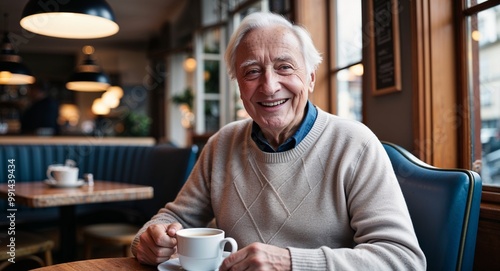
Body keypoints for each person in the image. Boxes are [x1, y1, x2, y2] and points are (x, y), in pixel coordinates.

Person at [132, 12, 426, 270]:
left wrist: (291, 263)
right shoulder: (222, 143)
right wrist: (151, 237)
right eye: (252, 71)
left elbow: (402, 259)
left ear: (310, 78)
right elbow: (175, 217)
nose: (269, 86)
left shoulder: (355, 144)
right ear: (239, 86)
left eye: (284, 67)